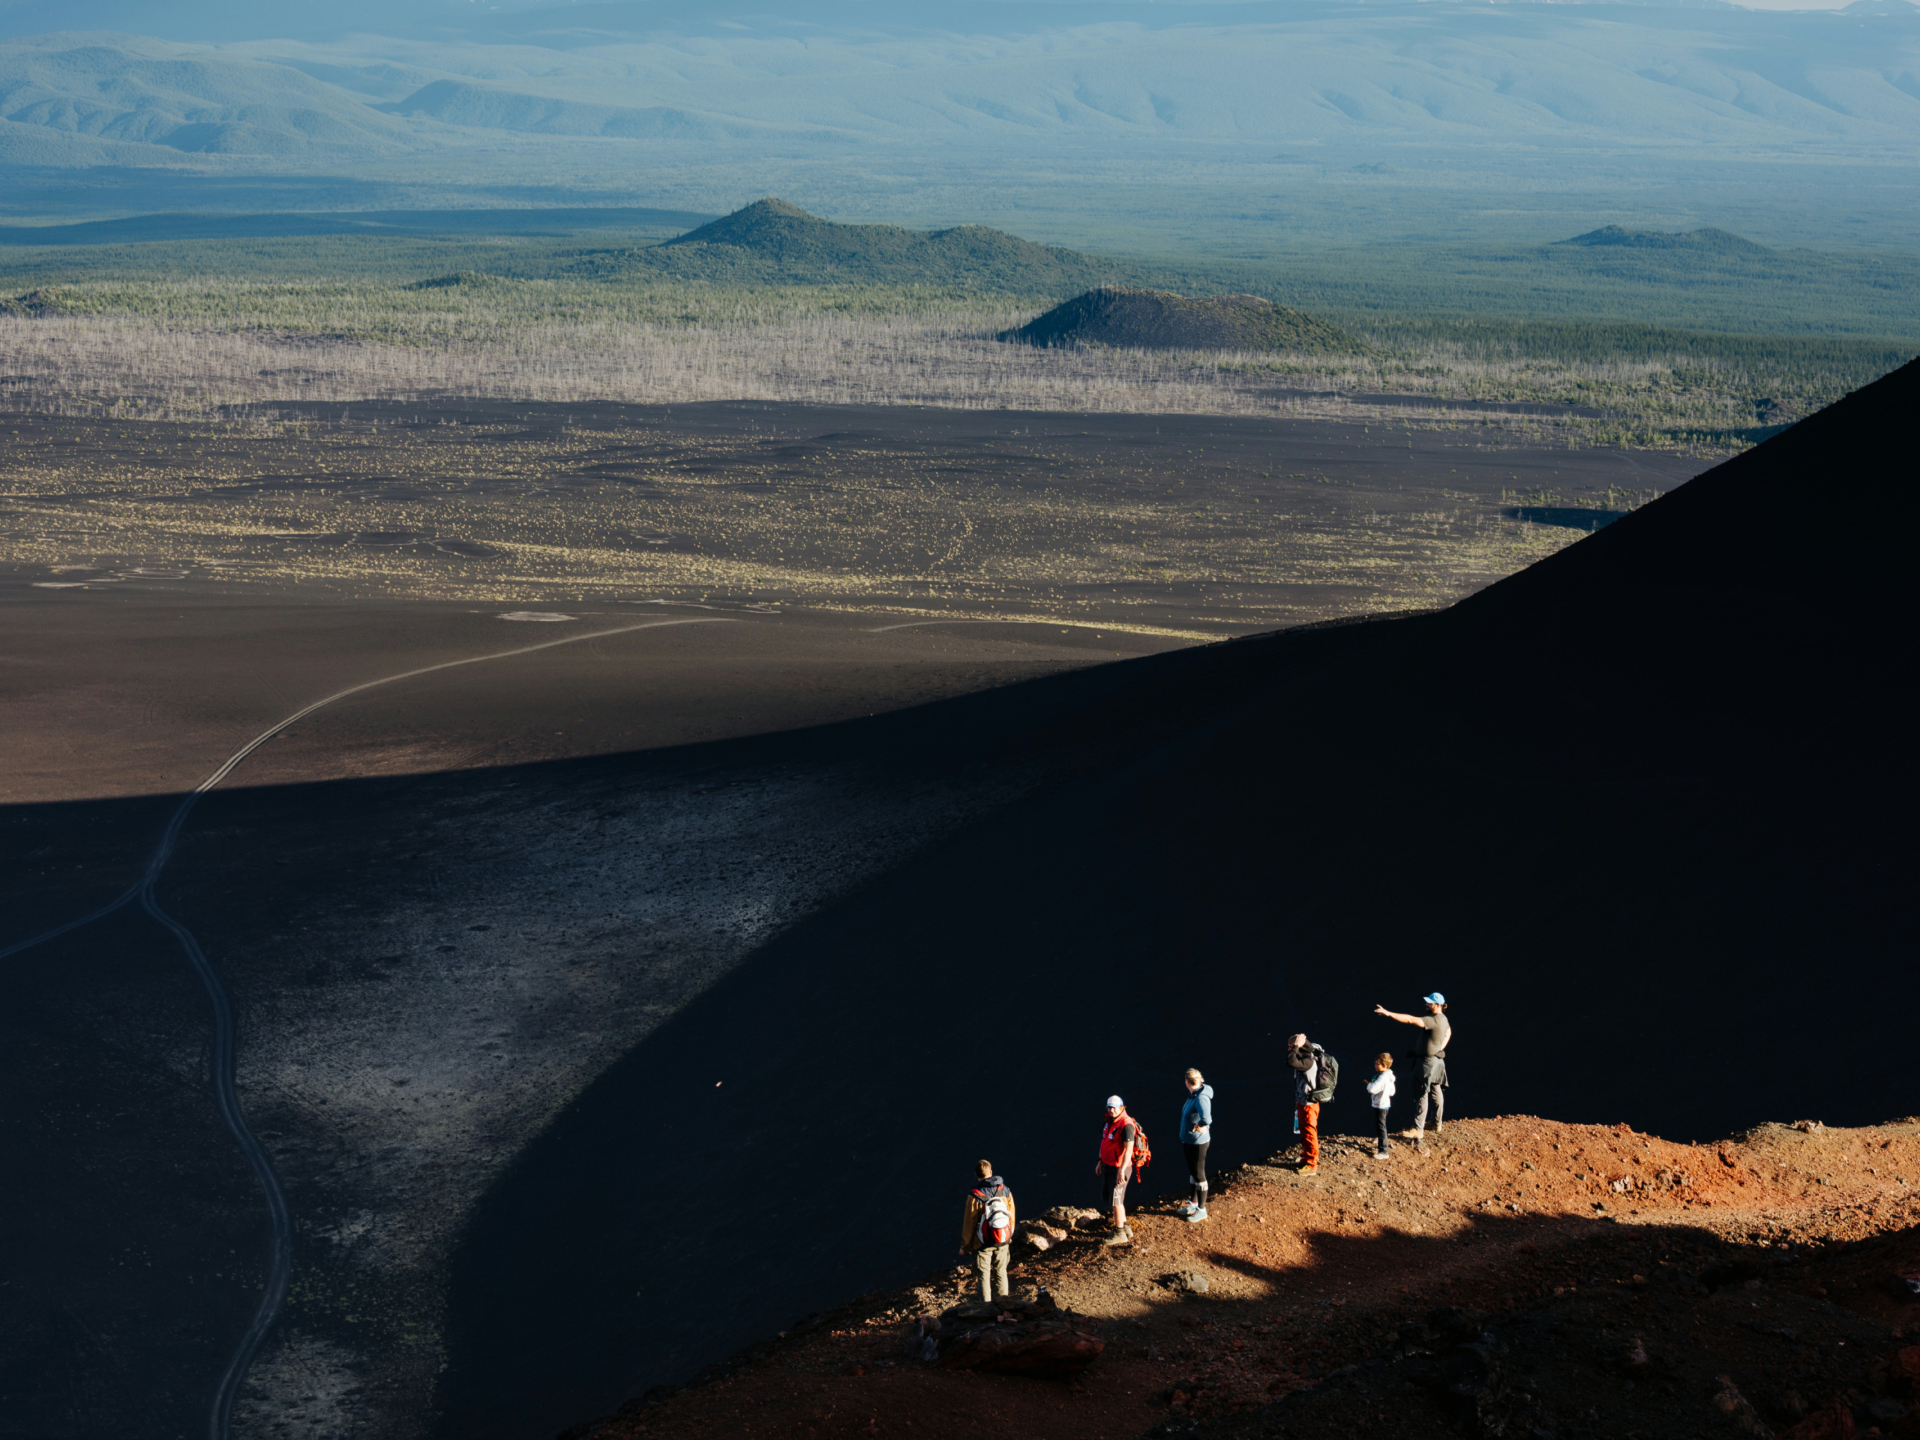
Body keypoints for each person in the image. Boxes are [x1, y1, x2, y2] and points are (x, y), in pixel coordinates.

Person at [1374, 992, 1450, 1143]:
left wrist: (1389, 1013)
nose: (1426, 1005)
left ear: (1437, 1005)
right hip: (1437, 1061)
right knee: (1436, 1089)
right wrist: (1439, 1048)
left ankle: (1418, 1129)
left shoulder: (1433, 1020)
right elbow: (1448, 1032)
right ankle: (1436, 1123)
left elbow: (1409, 1019)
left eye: (1429, 1003)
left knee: (1422, 1092)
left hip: (1427, 1064)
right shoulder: (1444, 1019)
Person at [959, 1159, 1016, 1303]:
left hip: (981, 1242)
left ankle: (986, 1309)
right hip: (1002, 1239)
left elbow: (969, 1223)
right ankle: (1004, 1306)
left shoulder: (974, 1196)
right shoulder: (1005, 1191)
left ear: (975, 1174)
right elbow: (1011, 1216)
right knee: (1001, 1272)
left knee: (984, 1275)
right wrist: (1007, 1236)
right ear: (990, 1172)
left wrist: (965, 1246)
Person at [1095, 1095, 1138, 1245]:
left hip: (1120, 1169)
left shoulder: (1126, 1125)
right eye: (1109, 1107)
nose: (1111, 1110)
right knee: (1116, 1199)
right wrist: (1100, 1161)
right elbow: (1104, 1141)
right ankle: (1125, 1228)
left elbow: (1128, 1150)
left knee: (1116, 1201)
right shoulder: (1110, 1122)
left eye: (1114, 1107)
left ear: (1121, 1107)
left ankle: (1120, 1233)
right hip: (1109, 1166)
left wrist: (1122, 1169)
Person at [1287, 1034, 1330, 1174]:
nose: (1289, 1049)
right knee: (1304, 1133)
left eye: (1291, 1046)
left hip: (1309, 1104)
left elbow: (1290, 1062)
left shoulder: (1309, 1061)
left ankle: (1312, 1165)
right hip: (1303, 1101)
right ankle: (1306, 1157)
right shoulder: (1305, 1059)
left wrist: (1296, 1047)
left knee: (1310, 1133)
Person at [1178, 1068, 1213, 1222]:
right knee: (1193, 1171)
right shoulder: (1194, 1095)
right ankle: (1193, 1203)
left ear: (1187, 1082)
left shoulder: (1200, 1098)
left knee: (1199, 1174)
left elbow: (1207, 1118)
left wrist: (1200, 1125)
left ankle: (1202, 1209)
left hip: (1198, 1142)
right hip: (1189, 1140)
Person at [1366, 1052, 1396, 1159]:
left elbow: (1372, 1089)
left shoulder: (1382, 1077)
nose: (1375, 1065)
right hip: (1385, 1104)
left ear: (1385, 1066)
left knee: (1381, 1127)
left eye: (1377, 1064)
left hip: (1380, 1105)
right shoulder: (1389, 1077)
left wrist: (1369, 1085)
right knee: (1381, 1126)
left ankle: (1383, 1151)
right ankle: (1381, 1146)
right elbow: (1392, 1092)